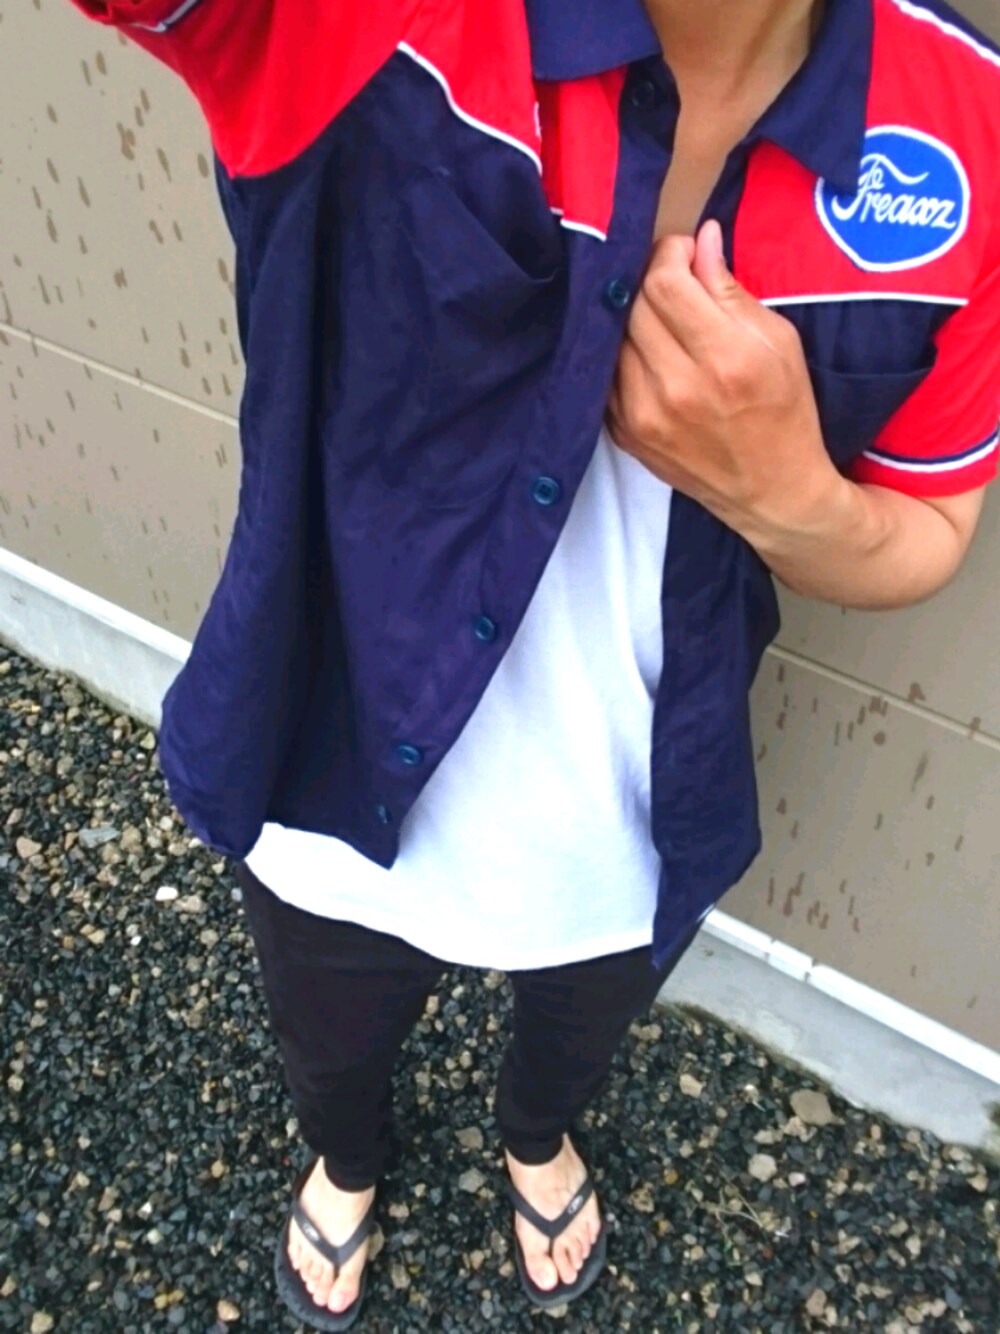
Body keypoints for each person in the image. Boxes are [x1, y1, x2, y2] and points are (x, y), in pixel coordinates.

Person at [66, 0, 1000, 1326]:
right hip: (327, 762)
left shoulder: (971, 130)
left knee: (573, 1046)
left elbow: (930, 529)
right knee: (328, 1043)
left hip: (625, 816)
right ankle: (347, 1156)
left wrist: (788, 492)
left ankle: (535, 1136)